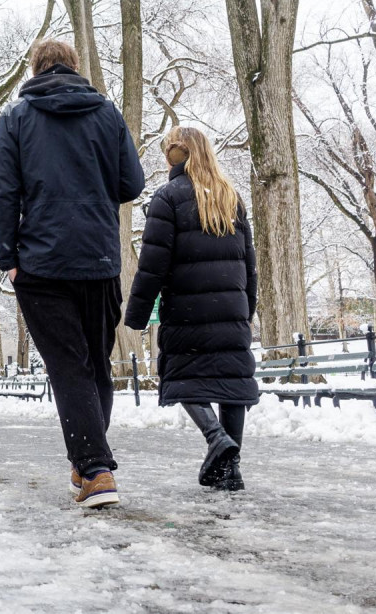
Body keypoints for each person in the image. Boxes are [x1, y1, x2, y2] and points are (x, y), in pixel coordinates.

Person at [0, 39, 144, 508]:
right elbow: (131, 184)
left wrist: (7, 257)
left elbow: (4, 192)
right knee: (94, 365)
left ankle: (96, 469)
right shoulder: (108, 114)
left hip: (40, 261)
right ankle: (86, 463)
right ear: (75, 67)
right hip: (99, 258)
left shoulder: (15, 119)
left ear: (35, 70)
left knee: (68, 367)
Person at [124, 126, 258, 492]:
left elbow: (153, 264)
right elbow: (250, 262)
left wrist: (135, 314)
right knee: (231, 384)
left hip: (187, 309)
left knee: (184, 377)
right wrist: (248, 308)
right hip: (231, 308)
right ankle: (232, 470)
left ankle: (216, 439)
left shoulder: (168, 197)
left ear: (172, 155)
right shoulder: (231, 197)